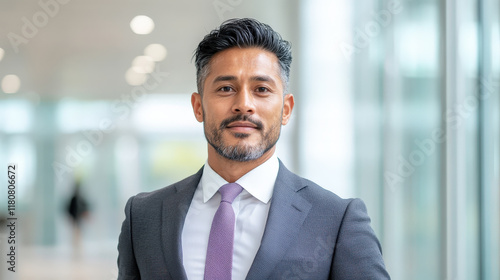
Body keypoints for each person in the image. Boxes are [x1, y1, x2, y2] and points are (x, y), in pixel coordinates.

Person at [117, 18, 390, 280]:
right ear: (198, 107)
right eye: (225, 88)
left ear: (286, 110)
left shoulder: (336, 219)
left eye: (261, 89)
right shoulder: (144, 215)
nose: (244, 104)